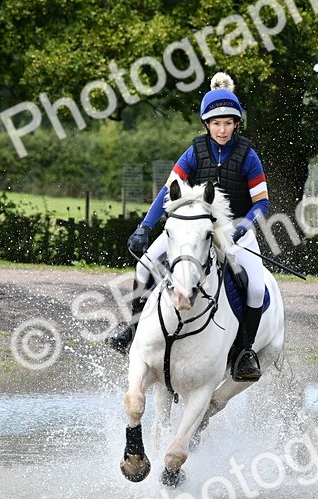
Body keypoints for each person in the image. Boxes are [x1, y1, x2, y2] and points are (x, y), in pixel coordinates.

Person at [106, 72, 270, 382]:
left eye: (228, 123)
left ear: (237, 124)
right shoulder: (194, 152)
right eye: (216, 123)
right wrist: (145, 226)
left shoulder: (249, 156)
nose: (222, 129)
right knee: (144, 269)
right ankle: (134, 329)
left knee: (256, 287)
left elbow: (262, 204)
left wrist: (243, 227)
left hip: (234, 230)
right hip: (192, 228)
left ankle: (245, 352)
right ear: (207, 124)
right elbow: (168, 191)